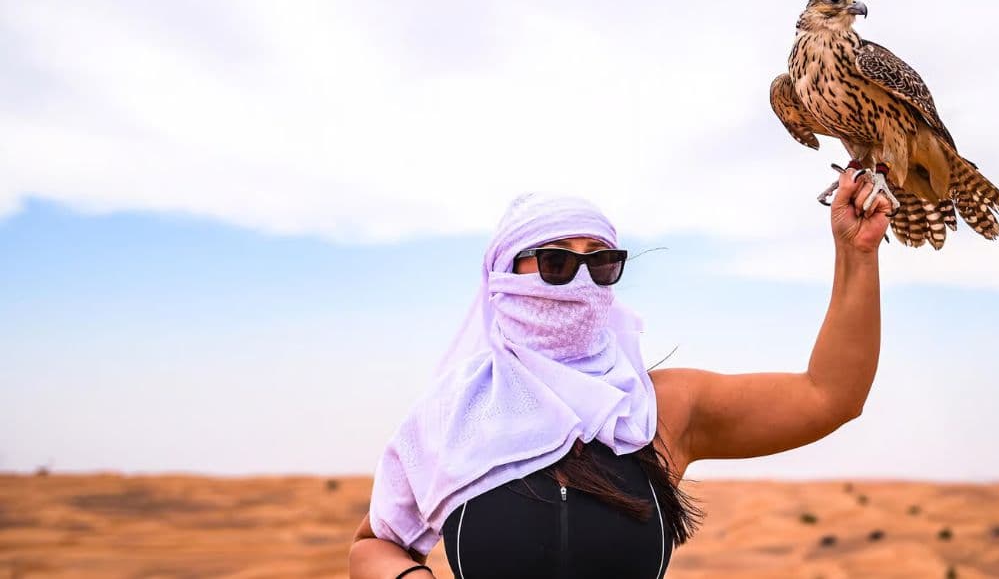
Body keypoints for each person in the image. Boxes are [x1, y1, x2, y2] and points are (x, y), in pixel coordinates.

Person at [349, 167, 892, 579]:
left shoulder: (658, 411)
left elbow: (829, 395)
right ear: (503, 275)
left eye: (601, 262)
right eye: (557, 262)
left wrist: (856, 254)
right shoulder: (452, 417)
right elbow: (373, 544)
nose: (582, 281)